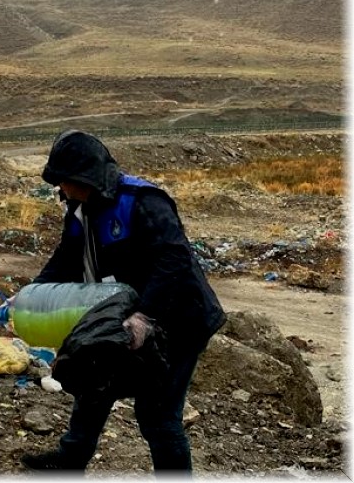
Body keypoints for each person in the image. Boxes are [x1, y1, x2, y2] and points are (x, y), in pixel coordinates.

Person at [20, 130, 226, 476]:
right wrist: (31, 295)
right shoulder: (78, 208)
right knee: (94, 386)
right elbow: (66, 257)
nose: (61, 189)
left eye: (65, 181)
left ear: (85, 177)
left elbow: (174, 260)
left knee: (157, 415)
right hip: (124, 313)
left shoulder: (142, 201)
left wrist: (146, 317)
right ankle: (69, 461)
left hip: (178, 320)